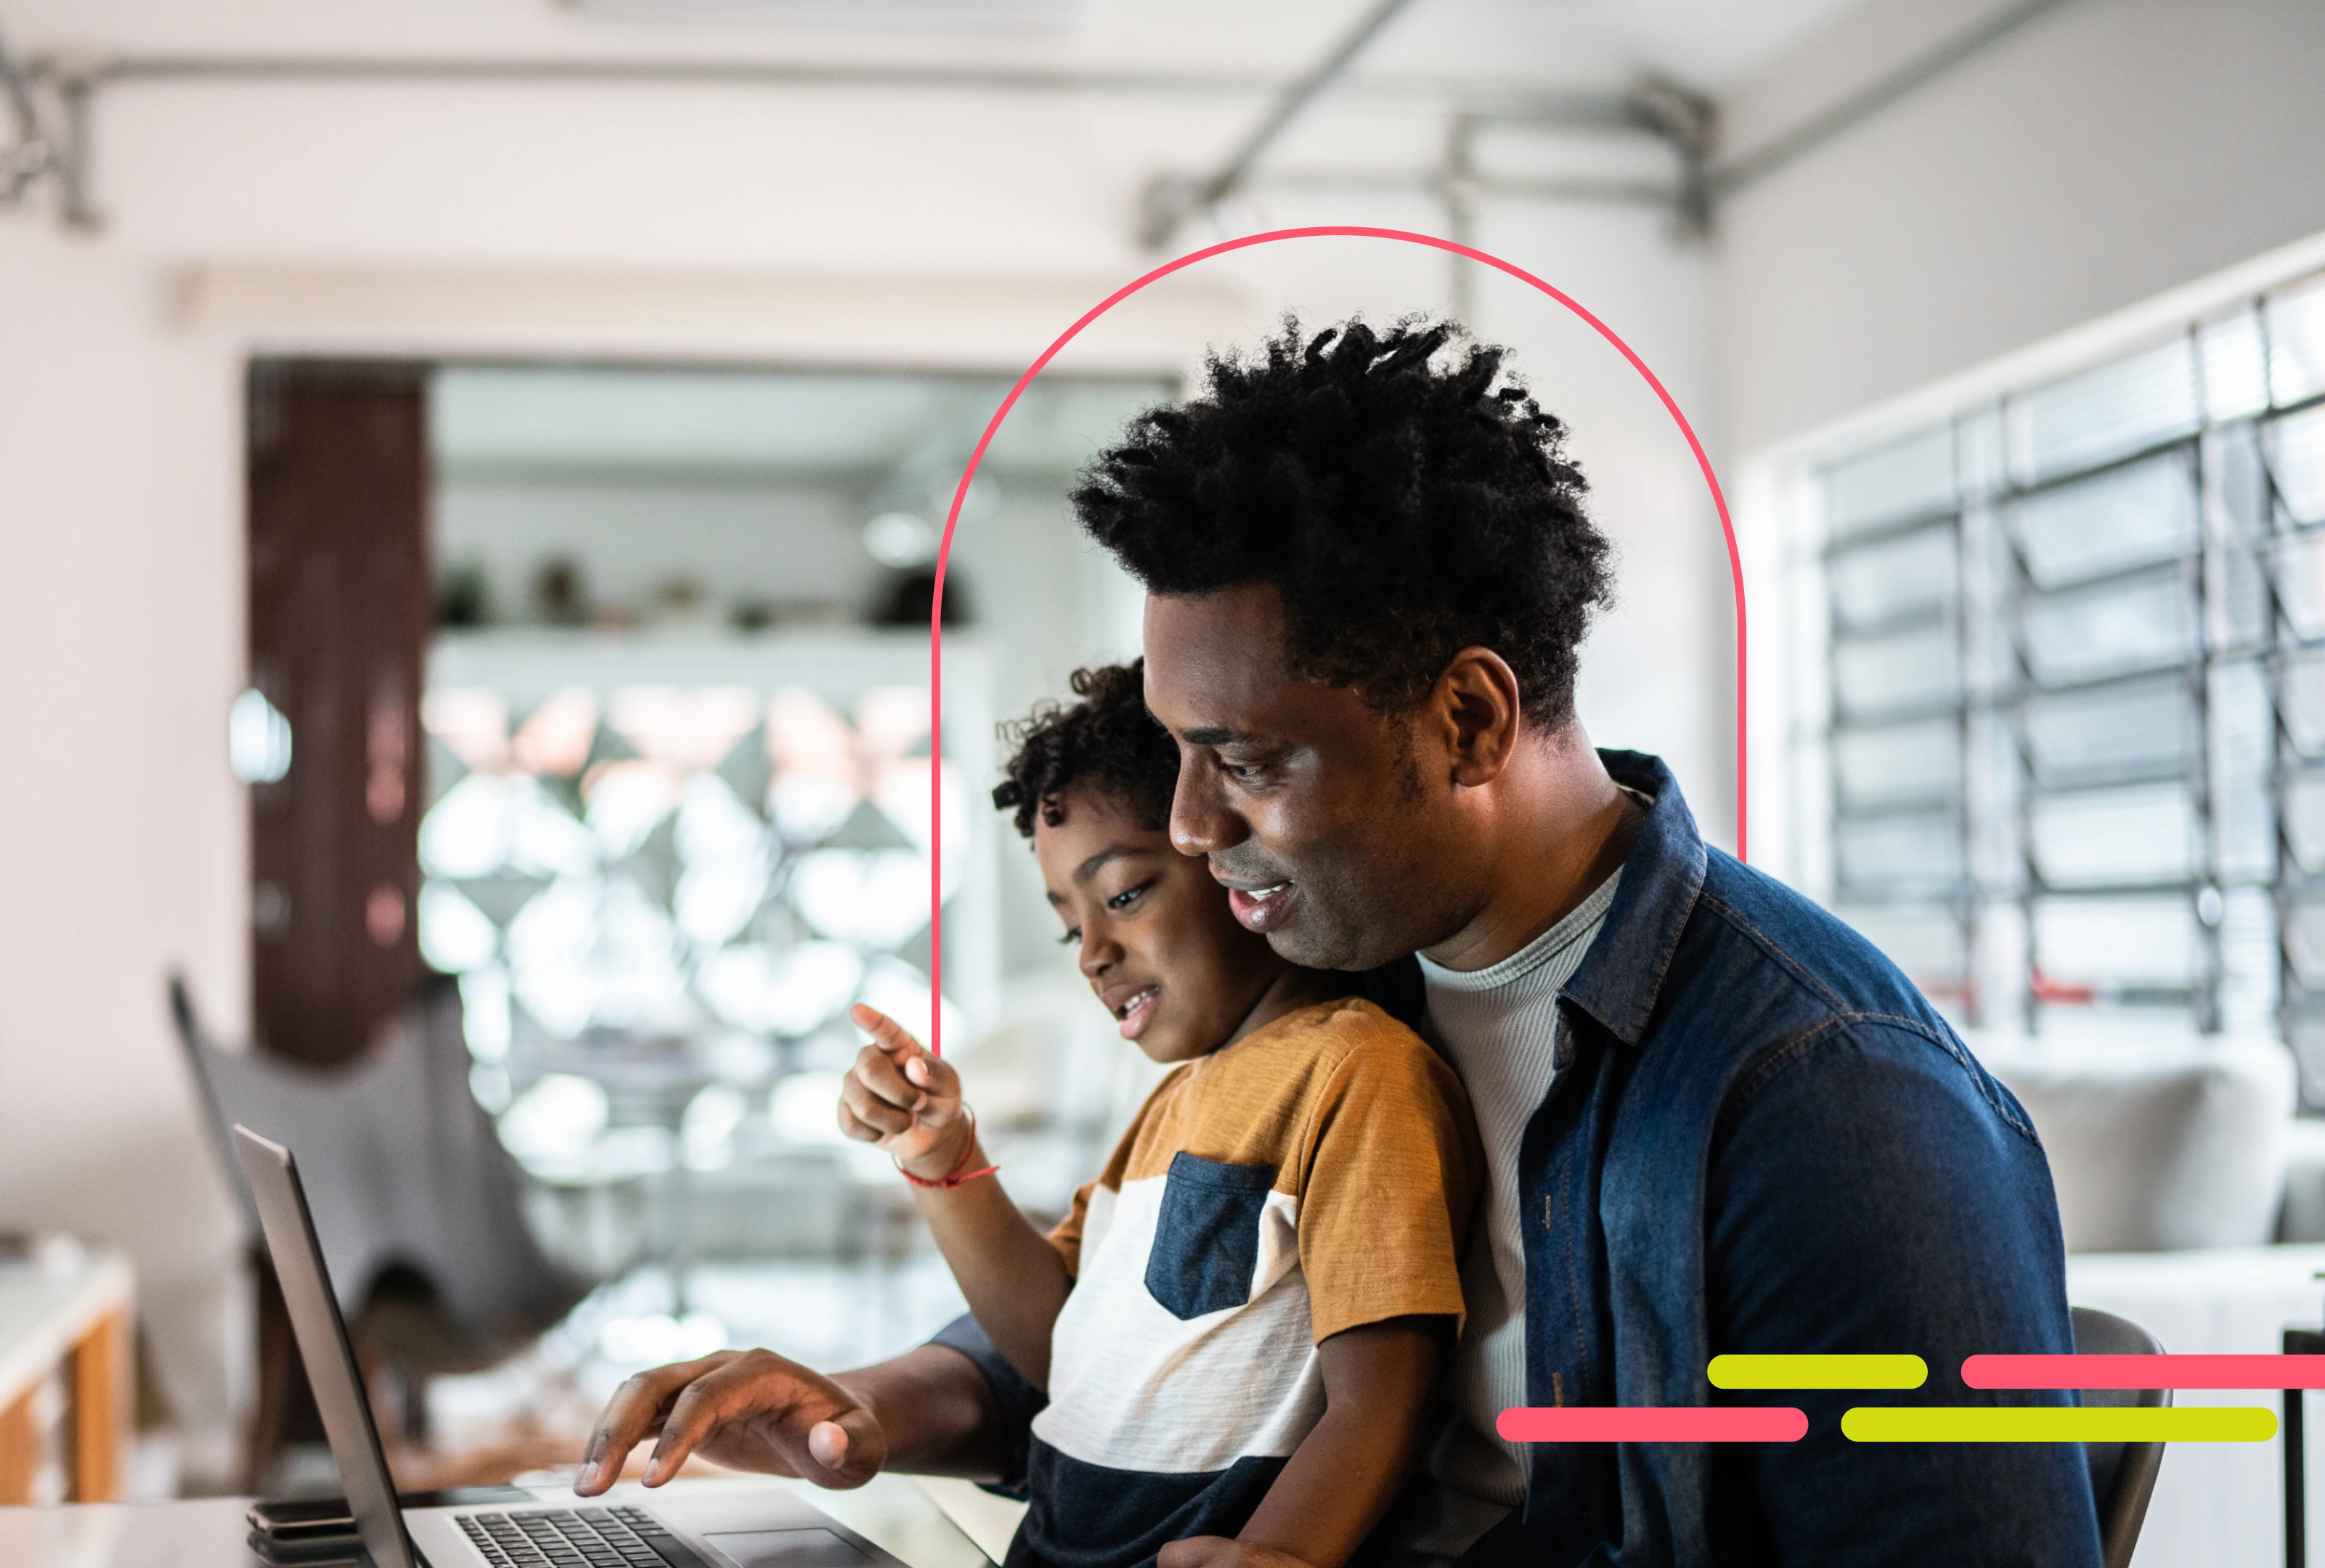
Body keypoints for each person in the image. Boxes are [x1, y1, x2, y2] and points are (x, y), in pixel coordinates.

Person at [576, 317, 2098, 1566]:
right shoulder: (1328, 972)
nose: (1183, 828)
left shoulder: (1824, 1101)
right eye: (1177, 754)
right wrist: (862, 1410)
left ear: (1469, 720)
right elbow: (1137, 1338)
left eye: (1243, 762)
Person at [834, 663, 1480, 1568]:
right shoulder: (1172, 1102)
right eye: (1071, 926)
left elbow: (1383, 1399)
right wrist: (942, 1162)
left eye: (1125, 896)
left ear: (1233, 860)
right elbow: (1059, 1353)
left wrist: (1285, 1554)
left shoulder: (1358, 1071)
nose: (1093, 954)